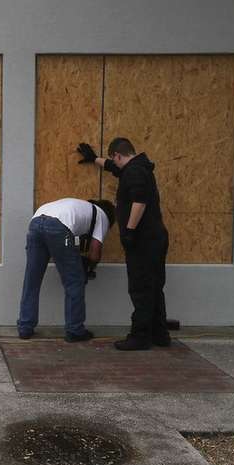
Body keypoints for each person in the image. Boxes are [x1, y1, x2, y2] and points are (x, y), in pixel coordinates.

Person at [76, 138, 171, 350]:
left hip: (143, 240)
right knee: (154, 287)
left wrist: (129, 230)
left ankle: (140, 337)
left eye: (114, 159)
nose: (114, 164)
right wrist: (95, 159)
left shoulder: (135, 172)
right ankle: (160, 334)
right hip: (156, 238)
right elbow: (115, 169)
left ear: (119, 155)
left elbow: (140, 201)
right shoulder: (138, 168)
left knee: (140, 288)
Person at [17, 197, 116, 342]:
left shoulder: (79, 206)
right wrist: (89, 266)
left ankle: (25, 327)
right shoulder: (102, 215)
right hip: (58, 226)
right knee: (75, 282)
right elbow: (95, 251)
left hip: (36, 221)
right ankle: (75, 330)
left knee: (32, 280)